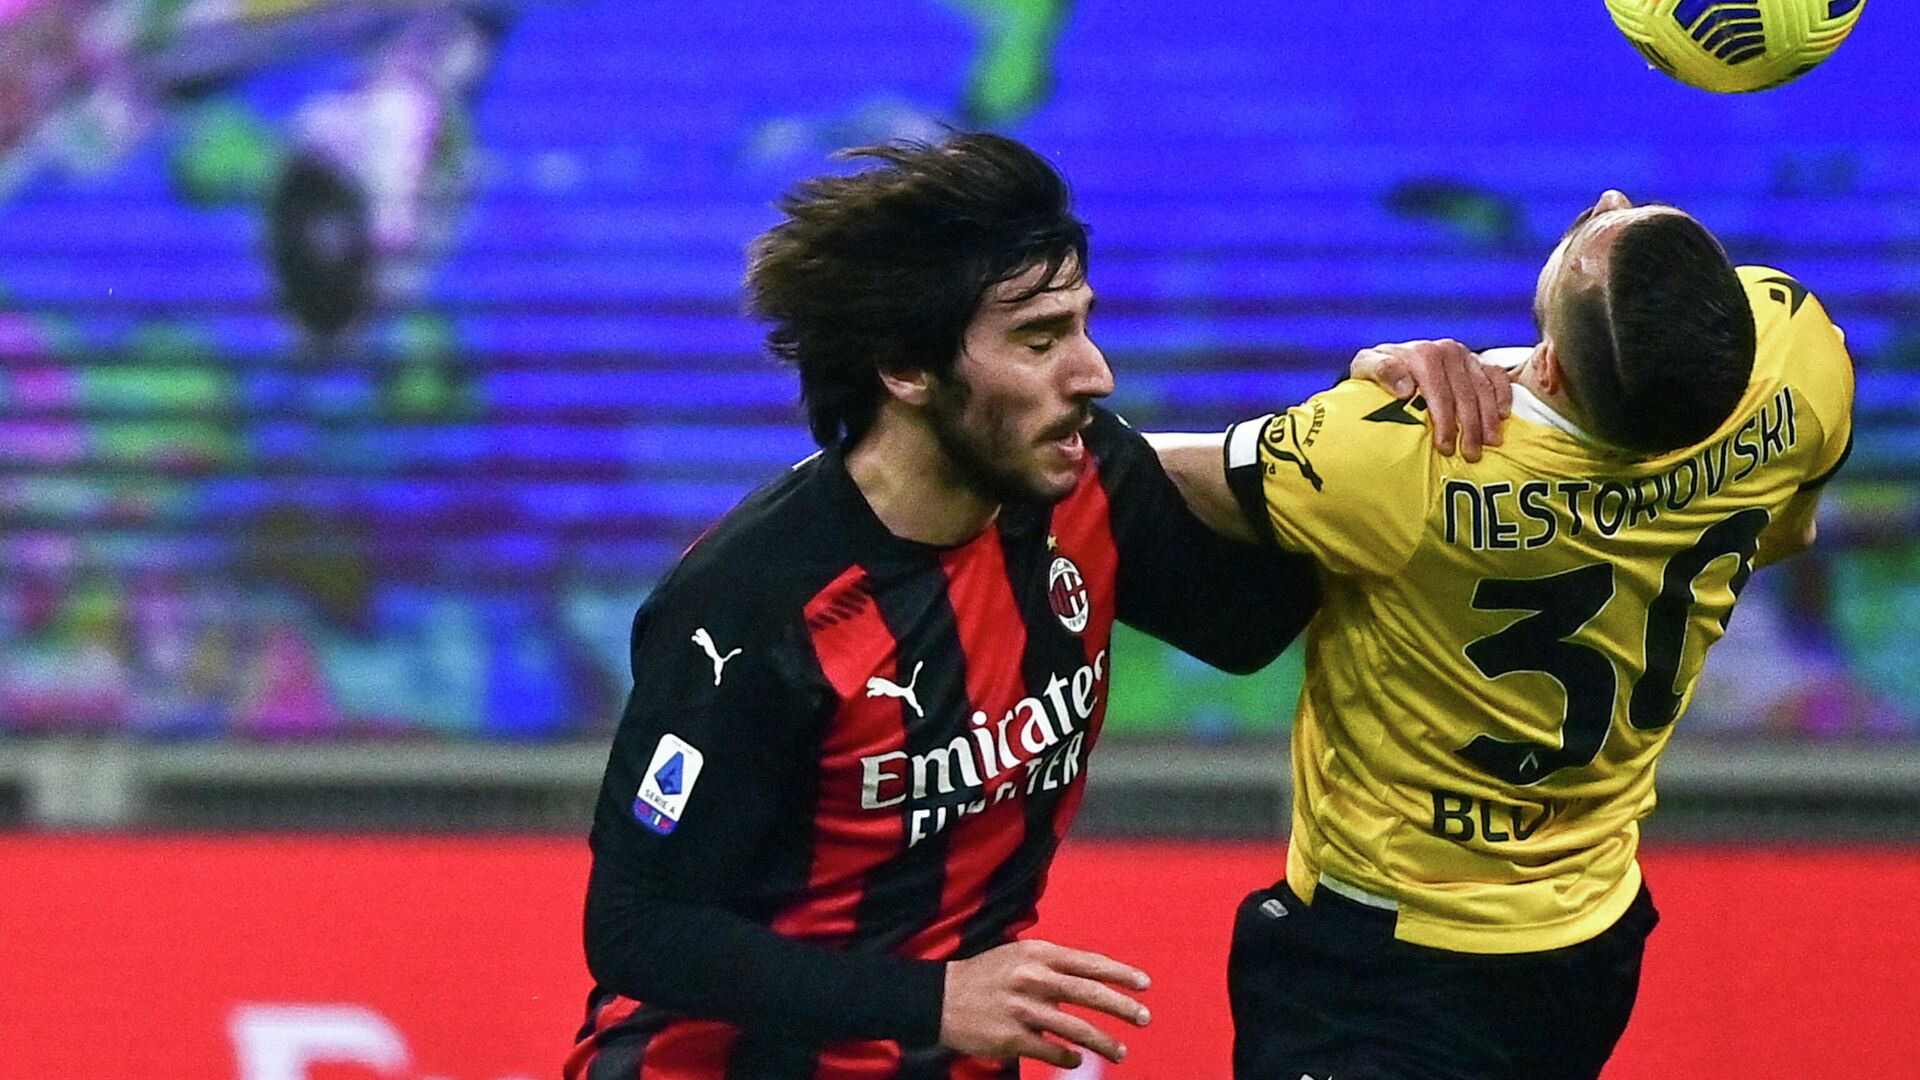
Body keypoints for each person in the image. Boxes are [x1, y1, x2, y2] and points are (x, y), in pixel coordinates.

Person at [564, 132, 1504, 1079]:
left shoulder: (1087, 480)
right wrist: (933, 1000)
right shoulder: (750, 603)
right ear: (906, 366)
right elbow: (641, 930)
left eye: (1084, 325)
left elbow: (1251, 625)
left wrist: (1372, 428)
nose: (1093, 372)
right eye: (1039, 339)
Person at [1152, 190, 1855, 1080]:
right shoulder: (1798, 362)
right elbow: (1788, 531)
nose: (1608, 198)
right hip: (1591, 934)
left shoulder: (1411, 459)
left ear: (1555, 369)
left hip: (1386, 965)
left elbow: (1131, 471)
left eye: (1588, 238)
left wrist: (1370, 396)